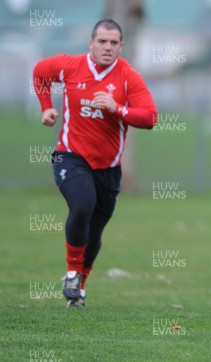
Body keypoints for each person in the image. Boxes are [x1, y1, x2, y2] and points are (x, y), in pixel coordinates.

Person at [33, 19, 157, 307]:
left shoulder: (128, 77)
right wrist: (46, 107)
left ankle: (80, 286)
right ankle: (73, 272)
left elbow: (150, 117)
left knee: (94, 231)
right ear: (91, 43)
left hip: (108, 169)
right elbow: (40, 73)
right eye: (102, 41)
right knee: (82, 204)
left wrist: (118, 108)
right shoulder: (70, 66)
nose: (107, 47)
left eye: (113, 43)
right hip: (70, 156)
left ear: (121, 47)